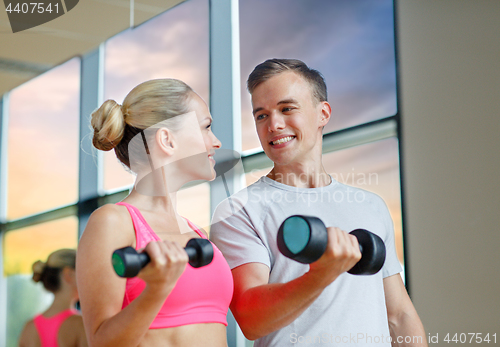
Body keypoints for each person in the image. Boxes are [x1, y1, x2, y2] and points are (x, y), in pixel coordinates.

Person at [210, 59, 428, 346]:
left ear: (322, 113)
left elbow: (398, 315)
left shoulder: (370, 206)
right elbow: (252, 322)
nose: (274, 124)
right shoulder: (238, 211)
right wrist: (320, 275)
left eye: (287, 109)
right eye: (261, 115)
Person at [76, 79, 233, 347]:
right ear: (166, 139)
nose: (216, 142)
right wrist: (157, 290)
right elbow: (101, 342)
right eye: (206, 127)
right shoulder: (113, 222)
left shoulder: (197, 233)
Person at [18, 249, 88, 347]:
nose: (89, 278)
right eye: (85, 272)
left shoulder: (29, 328)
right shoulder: (81, 325)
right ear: (69, 274)